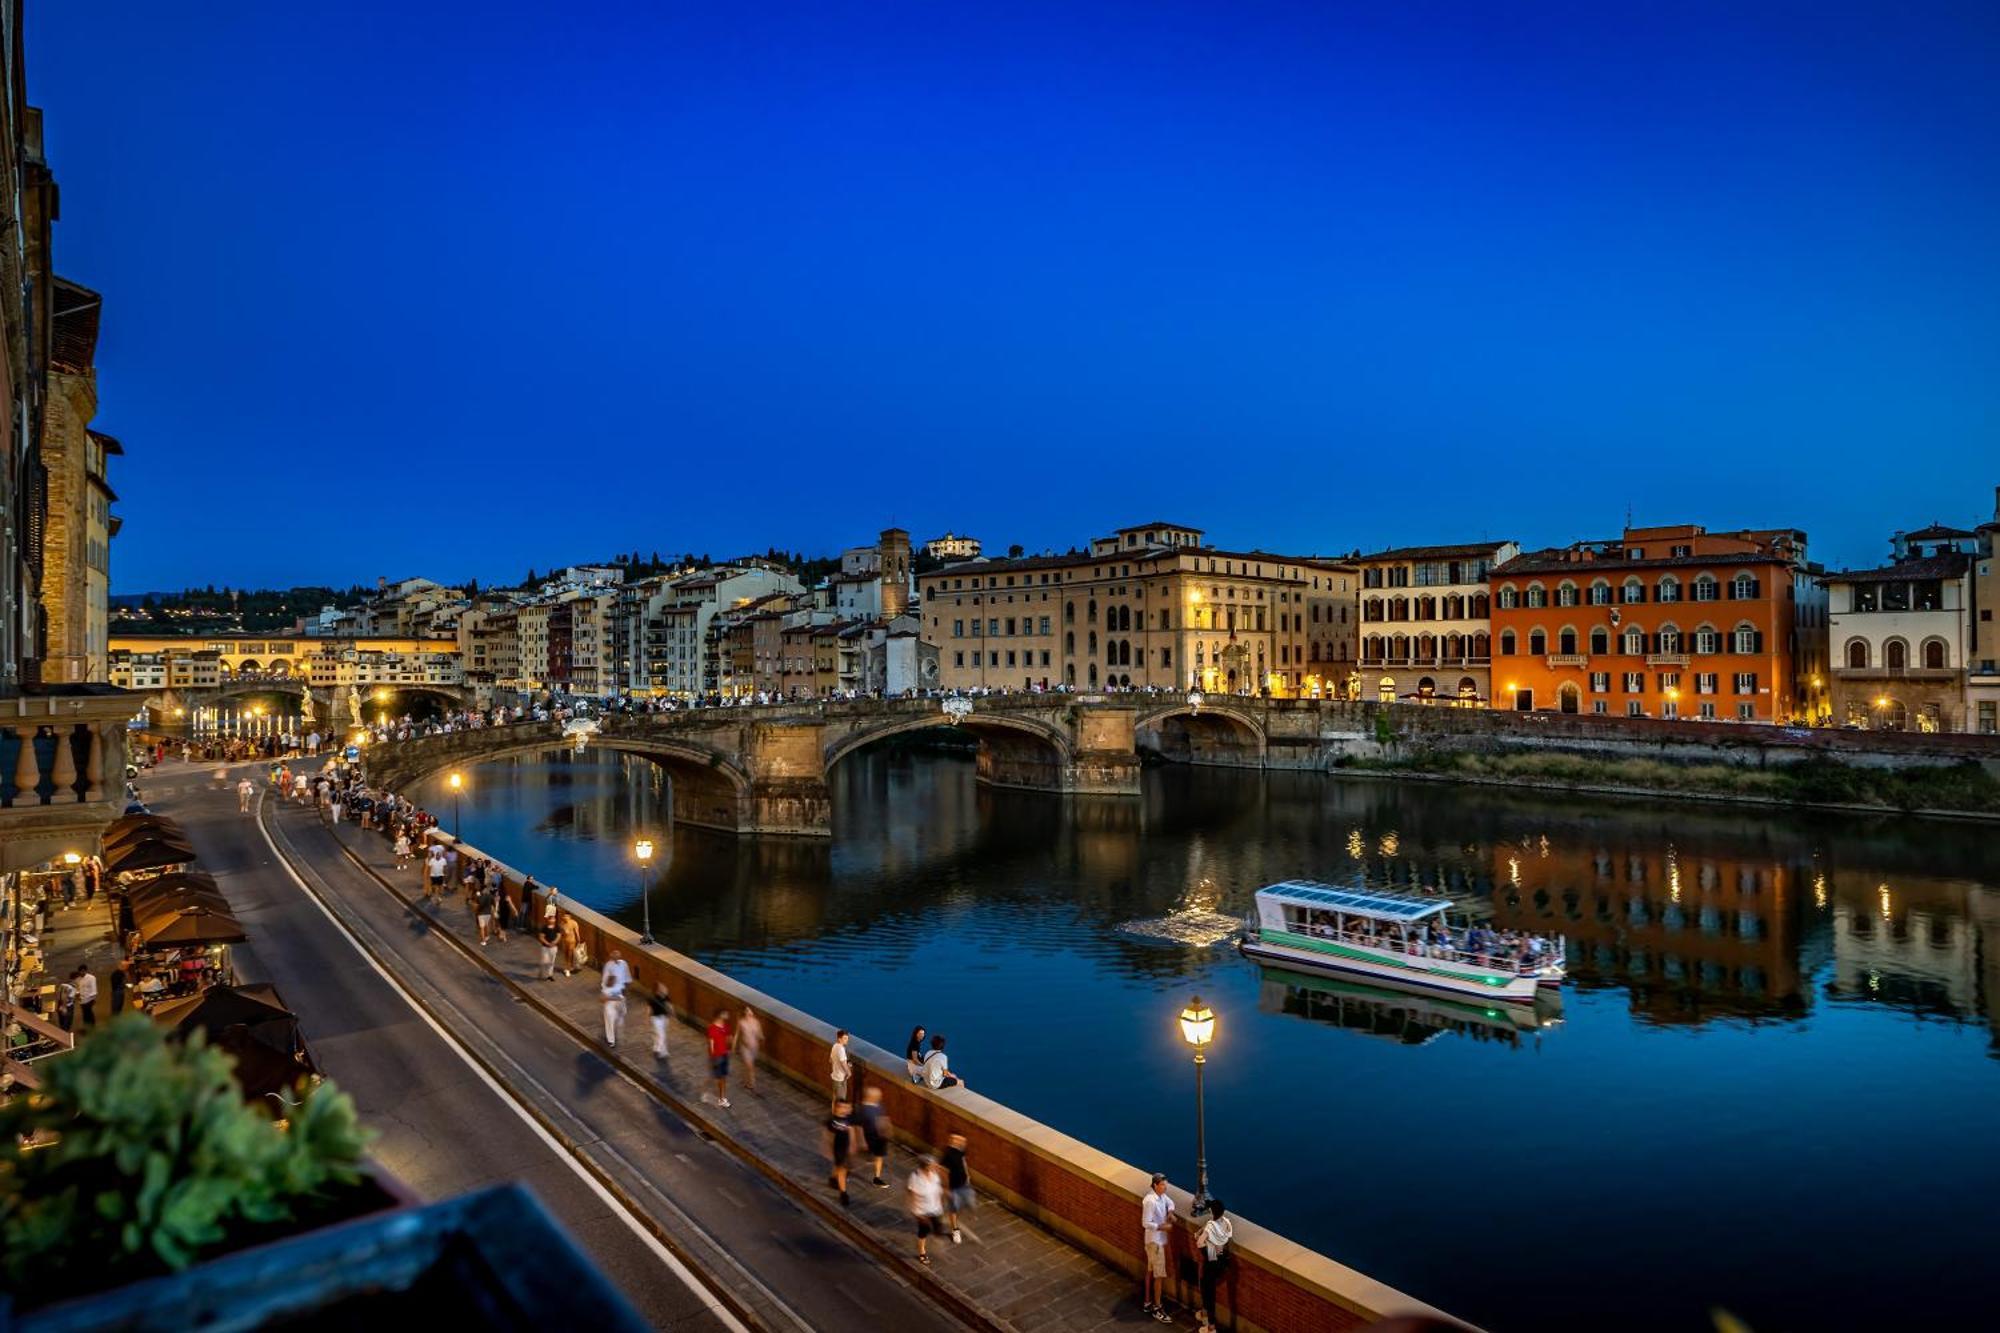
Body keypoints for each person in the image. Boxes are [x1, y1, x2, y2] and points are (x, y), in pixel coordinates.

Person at [1142, 1172, 1176, 1322]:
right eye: (1162, 1185)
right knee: (1159, 1276)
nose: (1165, 1187)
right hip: (1155, 1243)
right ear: (1155, 1185)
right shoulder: (1150, 1201)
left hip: (1155, 1242)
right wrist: (1162, 1227)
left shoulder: (1161, 1196)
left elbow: (1170, 1202)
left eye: (1165, 1185)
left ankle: (1147, 1302)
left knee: (1150, 1271)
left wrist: (1170, 1212)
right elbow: (1145, 1222)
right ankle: (1157, 1308)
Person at [1196, 1200, 1234, 1332]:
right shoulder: (1226, 1222)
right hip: (1222, 1260)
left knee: (1208, 1292)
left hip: (1212, 1261)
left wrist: (1206, 1250)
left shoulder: (1210, 1225)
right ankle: (1204, 1313)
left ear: (1211, 1211)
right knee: (1207, 1287)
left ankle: (1211, 1326)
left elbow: (1200, 1243)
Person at [908, 1154, 946, 1266]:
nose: (935, 1166)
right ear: (926, 1166)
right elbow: (913, 1195)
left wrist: (941, 1200)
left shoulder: (934, 1175)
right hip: (923, 1211)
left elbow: (938, 1188)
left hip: (935, 1208)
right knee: (923, 1232)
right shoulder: (915, 1178)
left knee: (938, 1227)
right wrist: (916, 1212)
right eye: (933, 1165)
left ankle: (936, 1236)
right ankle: (922, 1253)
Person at [941, 1131, 974, 1243]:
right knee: (953, 1208)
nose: (958, 1141)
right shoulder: (947, 1154)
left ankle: (950, 1215)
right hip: (953, 1186)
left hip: (963, 1183)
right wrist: (945, 1187)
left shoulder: (961, 1150)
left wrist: (967, 1175)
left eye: (960, 1140)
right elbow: (943, 1172)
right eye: (955, 1139)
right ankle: (955, 1230)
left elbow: (963, 1161)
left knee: (963, 1204)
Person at [856, 1086, 892, 1188]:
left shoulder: (879, 1106)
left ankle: (877, 1177)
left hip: (879, 1137)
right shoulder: (862, 1110)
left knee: (879, 1156)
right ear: (870, 1097)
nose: (879, 1097)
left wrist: (887, 1130)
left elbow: (883, 1118)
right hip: (868, 1136)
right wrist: (861, 1140)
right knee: (860, 1155)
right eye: (877, 1096)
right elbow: (858, 1127)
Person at [599, 949, 631, 1046]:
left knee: (621, 1017)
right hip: (611, 997)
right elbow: (603, 993)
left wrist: (626, 993)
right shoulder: (608, 966)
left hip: (620, 995)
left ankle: (618, 1035)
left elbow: (627, 979)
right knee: (609, 1018)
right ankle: (611, 1040)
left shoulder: (624, 964)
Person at [826, 1098, 854, 1207]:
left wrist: (853, 1144)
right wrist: (828, 1149)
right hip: (838, 1149)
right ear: (837, 1108)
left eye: (848, 1107)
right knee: (842, 1169)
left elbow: (851, 1131)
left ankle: (833, 1178)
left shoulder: (848, 1119)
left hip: (846, 1148)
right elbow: (829, 1136)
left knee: (840, 1167)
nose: (847, 1109)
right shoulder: (832, 1121)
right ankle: (843, 1193)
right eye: (844, 1107)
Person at [704, 1009, 733, 1108]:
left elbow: (729, 1039)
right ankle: (722, 1099)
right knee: (720, 1078)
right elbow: (711, 1044)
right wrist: (713, 1057)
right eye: (725, 1013)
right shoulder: (712, 1028)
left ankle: (707, 1091)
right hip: (717, 1056)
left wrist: (729, 1047)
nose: (727, 1015)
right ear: (720, 1015)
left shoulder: (726, 1026)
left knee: (721, 1077)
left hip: (724, 1055)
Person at [735, 1005, 764, 1094]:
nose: (750, 1012)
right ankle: (752, 1085)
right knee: (750, 1067)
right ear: (745, 1012)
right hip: (745, 1048)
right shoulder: (741, 1022)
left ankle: (746, 1080)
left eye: (750, 1010)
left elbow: (760, 1034)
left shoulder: (756, 1022)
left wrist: (762, 1038)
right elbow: (737, 1034)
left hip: (754, 1047)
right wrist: (733, 1045)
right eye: (748, 1010)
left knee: (748, 1066)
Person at [648, 982, 672, 1060]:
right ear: (657, 990)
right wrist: (649, 1019)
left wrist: (670, 1013)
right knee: (661, 1035)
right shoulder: (652, 999)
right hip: (656, 1019)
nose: (664, 988)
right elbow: (649, 1011)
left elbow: (669, 1006)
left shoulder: (665, 997)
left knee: (660, 1035)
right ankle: (658, 1050)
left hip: (664, 1018)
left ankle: (663, 1052)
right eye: (662, 987)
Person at [829, 1028, 852, 1107]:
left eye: (847, 1038)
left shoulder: (834, 1046)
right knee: (841, 1101)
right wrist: (849, 1072)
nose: (847, 1040)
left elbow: (830, 1060)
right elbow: (843, 1063)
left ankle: (834, 1116)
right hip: (840, 1078)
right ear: (839, 1039)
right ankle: (837, 1118)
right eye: (845, 1038)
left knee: (835, 1098)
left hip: (834, 1076)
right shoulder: (841, 1049)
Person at [536, 912, 561, 981]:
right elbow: (541, 937)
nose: (552, 920)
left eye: (553, 919)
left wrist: (554, 942)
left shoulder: (557, 927)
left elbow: (559, 936)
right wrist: (547, 943)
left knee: (552, 962)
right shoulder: (544, 928)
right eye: (551, 919)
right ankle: (542, 973)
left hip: (554, 947)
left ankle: (550, 975)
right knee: (544, 961)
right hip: (545, 948)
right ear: (548, 920)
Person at [475, 881, 496, 945]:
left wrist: (478, 896)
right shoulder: (490, 895)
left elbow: (480, 903)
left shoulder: (482, 896)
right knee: (486, 925)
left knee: (482, 927)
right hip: (488, 913)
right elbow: (493, 902)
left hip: (482, 913)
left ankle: (483, 941)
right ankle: (487, 936)